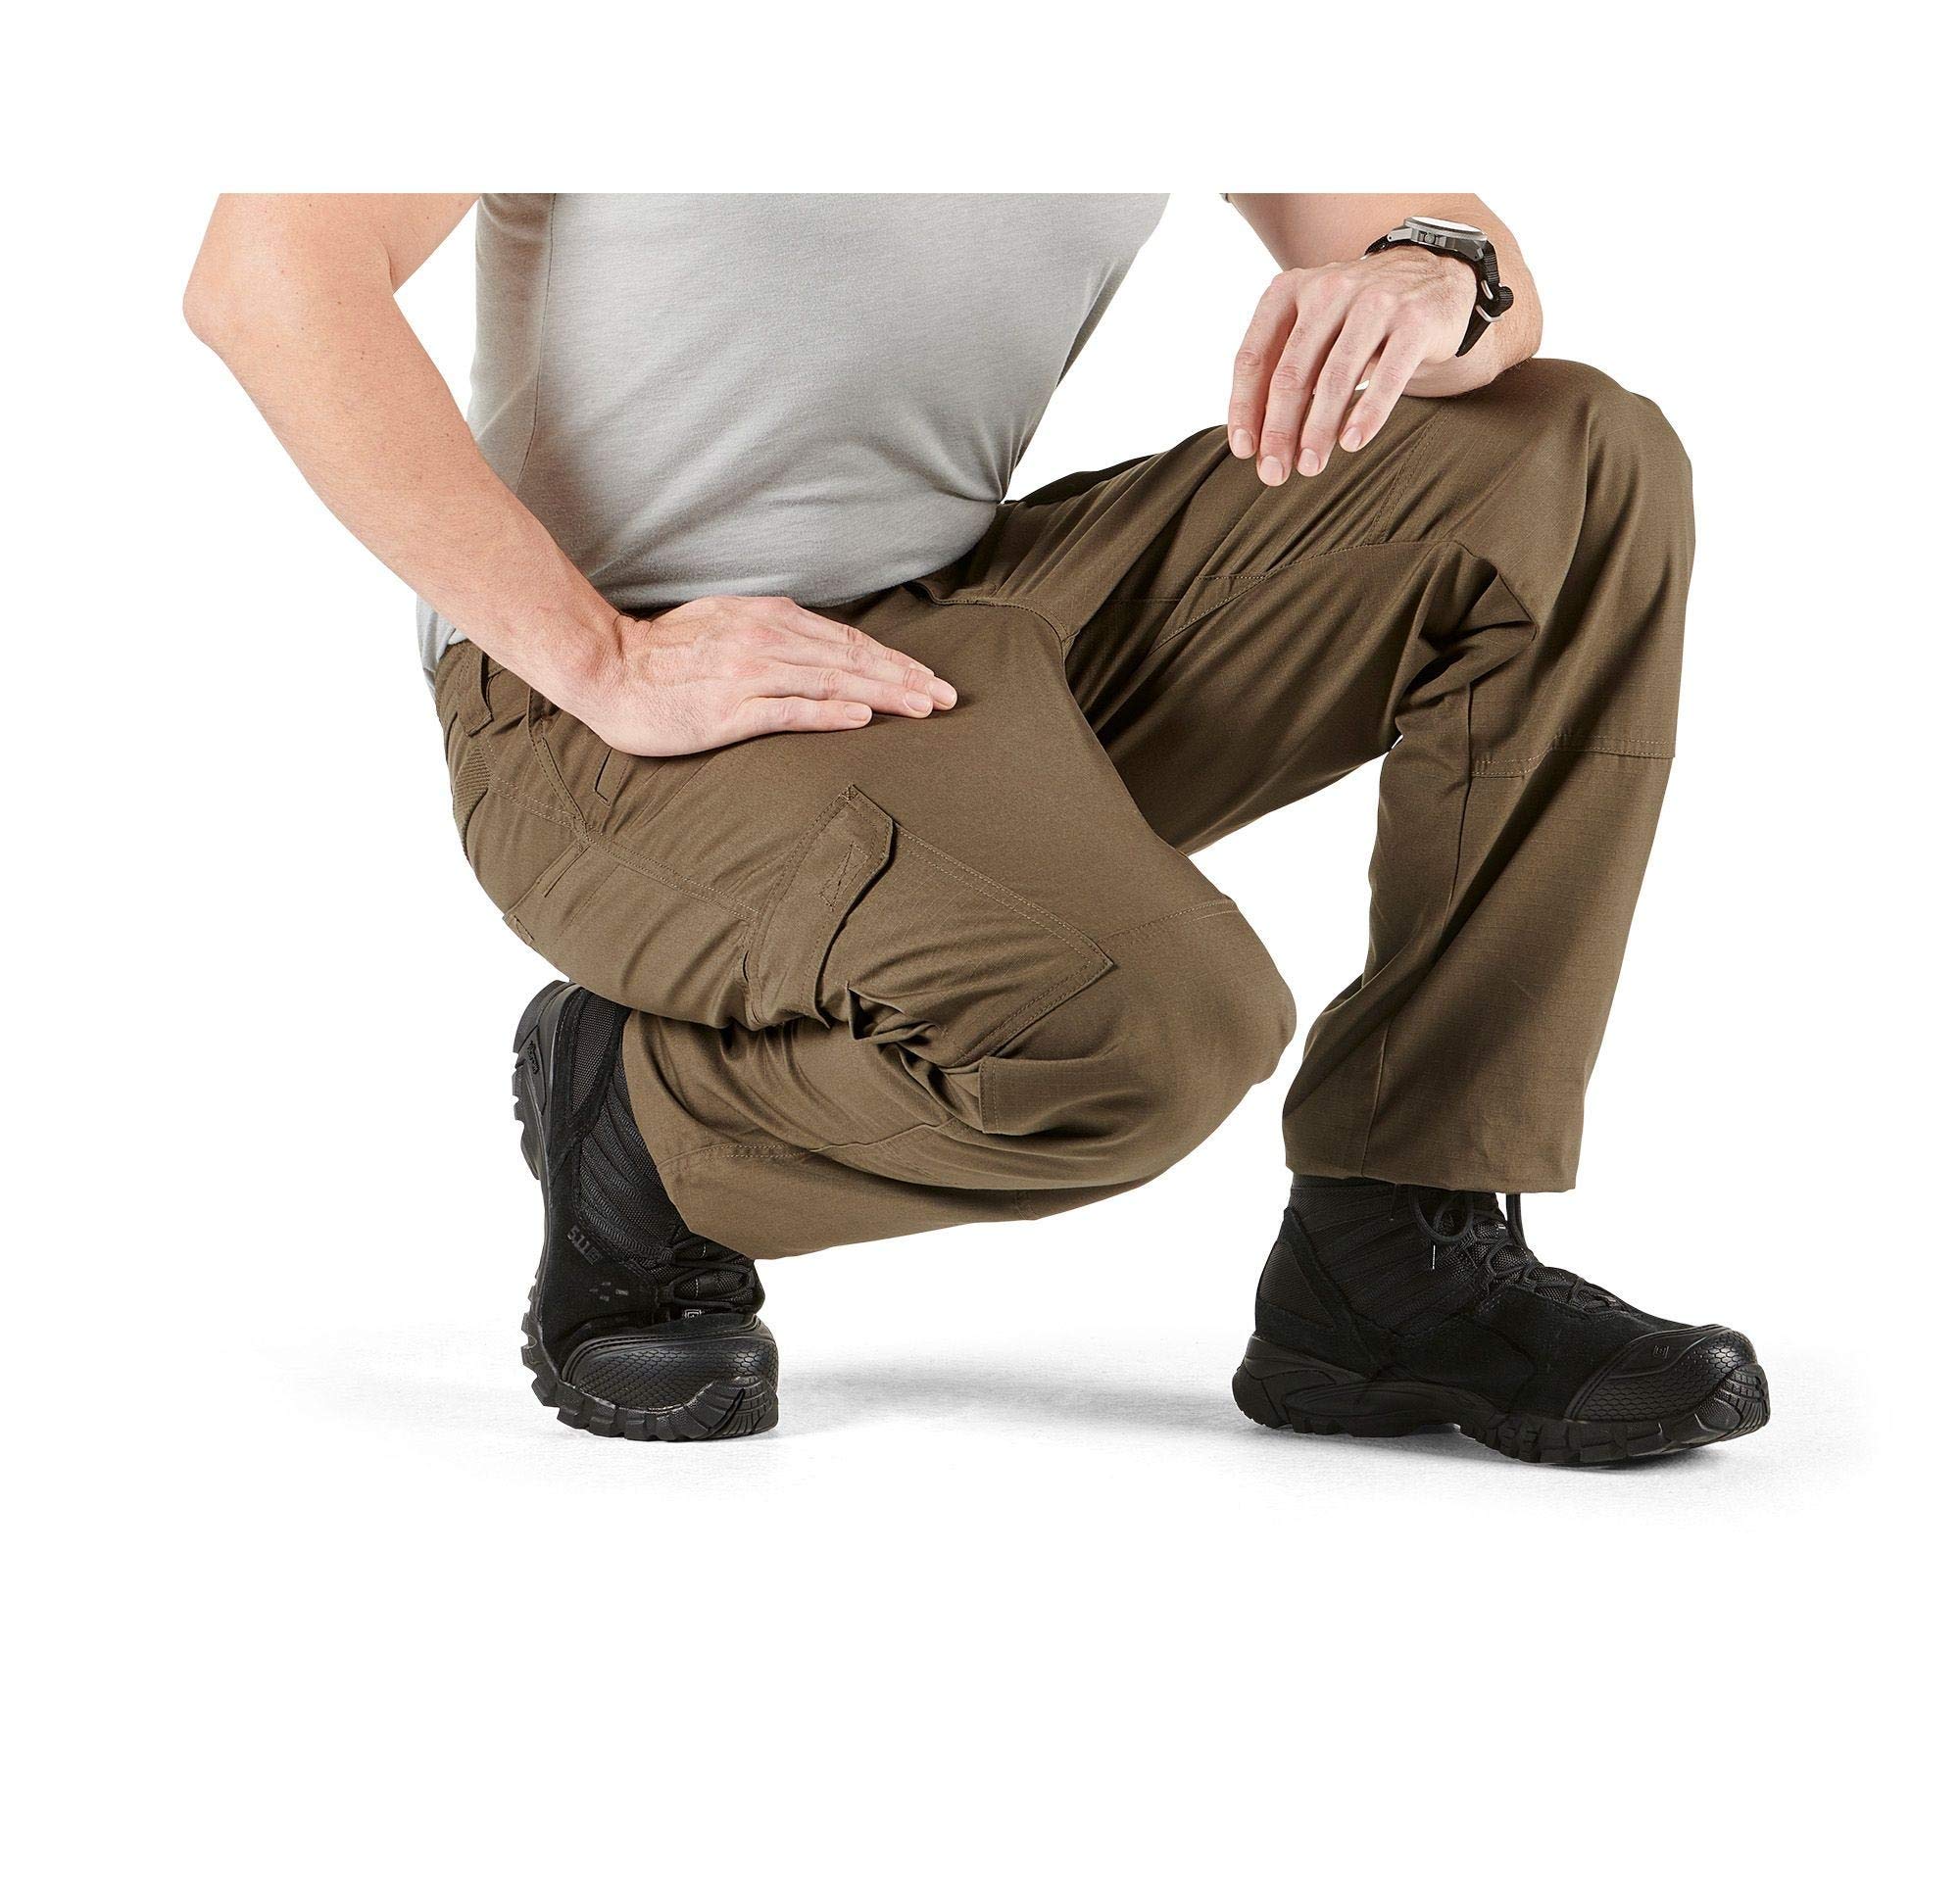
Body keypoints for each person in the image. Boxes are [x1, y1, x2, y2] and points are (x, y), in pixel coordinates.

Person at [185, 192, 1769, 1460]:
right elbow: (270, 277)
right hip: (607, 706)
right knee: (1151, 1035)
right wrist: (599, 656)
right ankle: (651, 1134)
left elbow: (1449, 245)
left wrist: (1427, 275)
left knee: (1568, 462)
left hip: (964, 627)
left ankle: (1400, 1245)